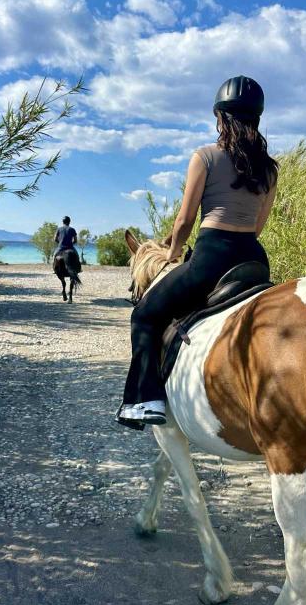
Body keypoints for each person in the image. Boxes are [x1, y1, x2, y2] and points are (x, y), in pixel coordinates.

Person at [116, 76, 279, 429]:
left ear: (220, 116)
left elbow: (185, 220)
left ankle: (143, 402)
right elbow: (258, 226)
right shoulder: (269, 169)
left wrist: (173, 252)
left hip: (212, 256)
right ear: (257, 118)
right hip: (254, 258)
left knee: (144, 315)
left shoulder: (204, 157)